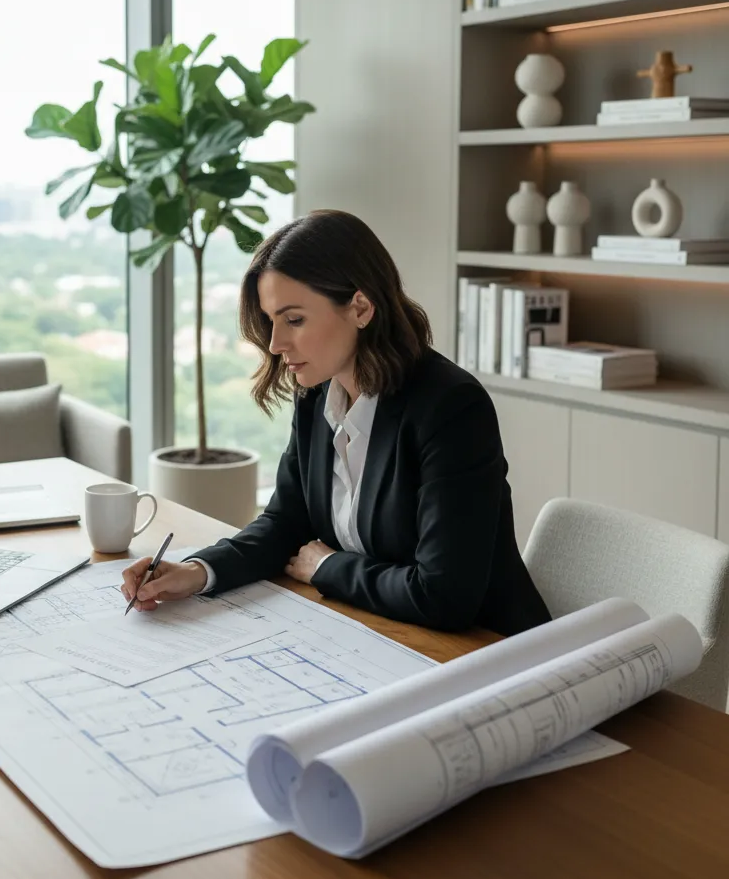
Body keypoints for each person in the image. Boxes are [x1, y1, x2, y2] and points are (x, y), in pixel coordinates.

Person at [121, 209, 551, 636]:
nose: (275, 343)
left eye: (294, 319)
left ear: (360, 307)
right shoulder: (315, 394)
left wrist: (327, 567)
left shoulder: (451, 407)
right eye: (272, 321)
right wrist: (196, 572)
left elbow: (443, 596)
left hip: (487, 650)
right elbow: (286, 523)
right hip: (375, 631)